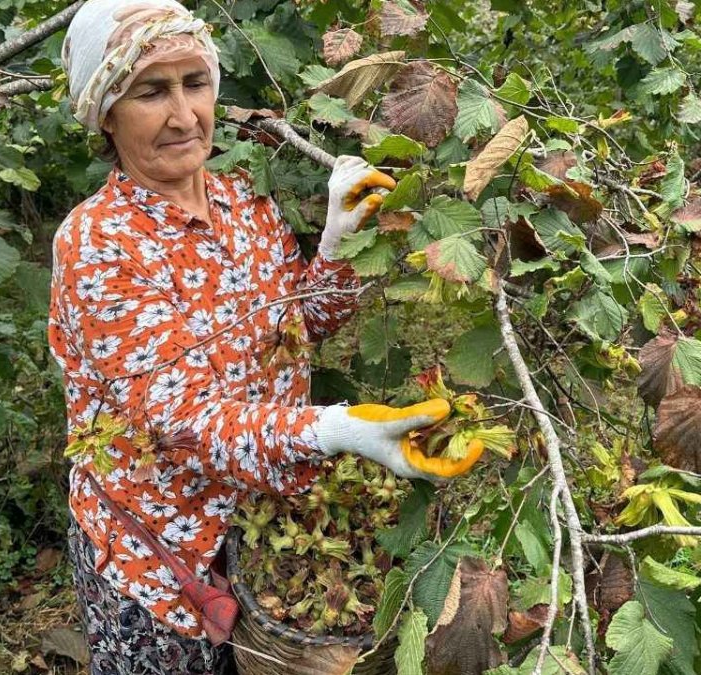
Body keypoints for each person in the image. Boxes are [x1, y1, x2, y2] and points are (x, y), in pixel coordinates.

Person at [49, 1, 458, 672]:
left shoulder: (246, 202)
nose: (185, 115)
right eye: (153, 91)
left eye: (195, 82)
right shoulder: (100, 243)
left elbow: (297, 329)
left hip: (261, 540)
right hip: (158, 562)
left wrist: (335, 247)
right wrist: (334, 428)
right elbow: (182, 416)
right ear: (106, 112)